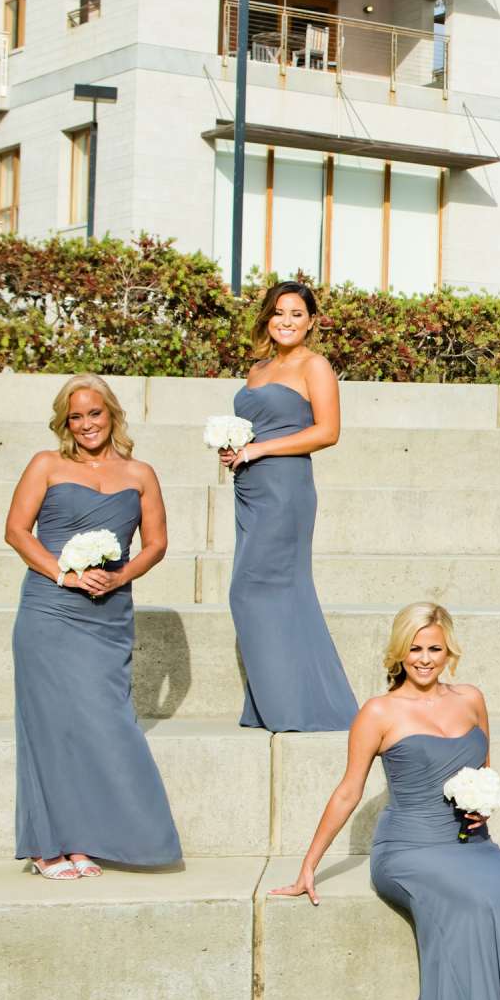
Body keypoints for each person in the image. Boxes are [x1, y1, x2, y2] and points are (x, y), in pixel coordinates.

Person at [270, 603, 500, 1000]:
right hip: (408, 849)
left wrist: (479, 807)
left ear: (450, 652)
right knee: (471, 905)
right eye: (415, 649)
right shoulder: (379, 712)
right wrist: (309, 866)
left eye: (434, 649)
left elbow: (483, 768)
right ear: (399, 653)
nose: (424, 659)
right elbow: (349, 791)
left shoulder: (471, 699)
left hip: (471, 843)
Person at [3, 374, 182, 877]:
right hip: (49, 609)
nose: (86, 425)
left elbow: (156, 544)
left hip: (108, 613)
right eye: (75, 416)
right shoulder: (46, 464)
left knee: (104, 723)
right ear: (65, 422)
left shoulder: (141, 473)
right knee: (50, 726)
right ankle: (47, 844)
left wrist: (120, 575)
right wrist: (62, 573)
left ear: (112, 415)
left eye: (94, 414)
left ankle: (86, 837)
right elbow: (16, 531)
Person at [221, 280, 358, 732]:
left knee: (254, 589)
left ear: (311, 321)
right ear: (267, 317)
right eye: (279, 312)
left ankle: (295, 705)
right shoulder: (256, 370)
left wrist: (260, 449)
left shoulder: (314, 365)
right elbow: (251, 428)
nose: (287, 321)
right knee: (260, 592)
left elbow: (328, 432)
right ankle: (272, 702)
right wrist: (234, 449)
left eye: (297, 313)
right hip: (250, 490)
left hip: (285, 490)